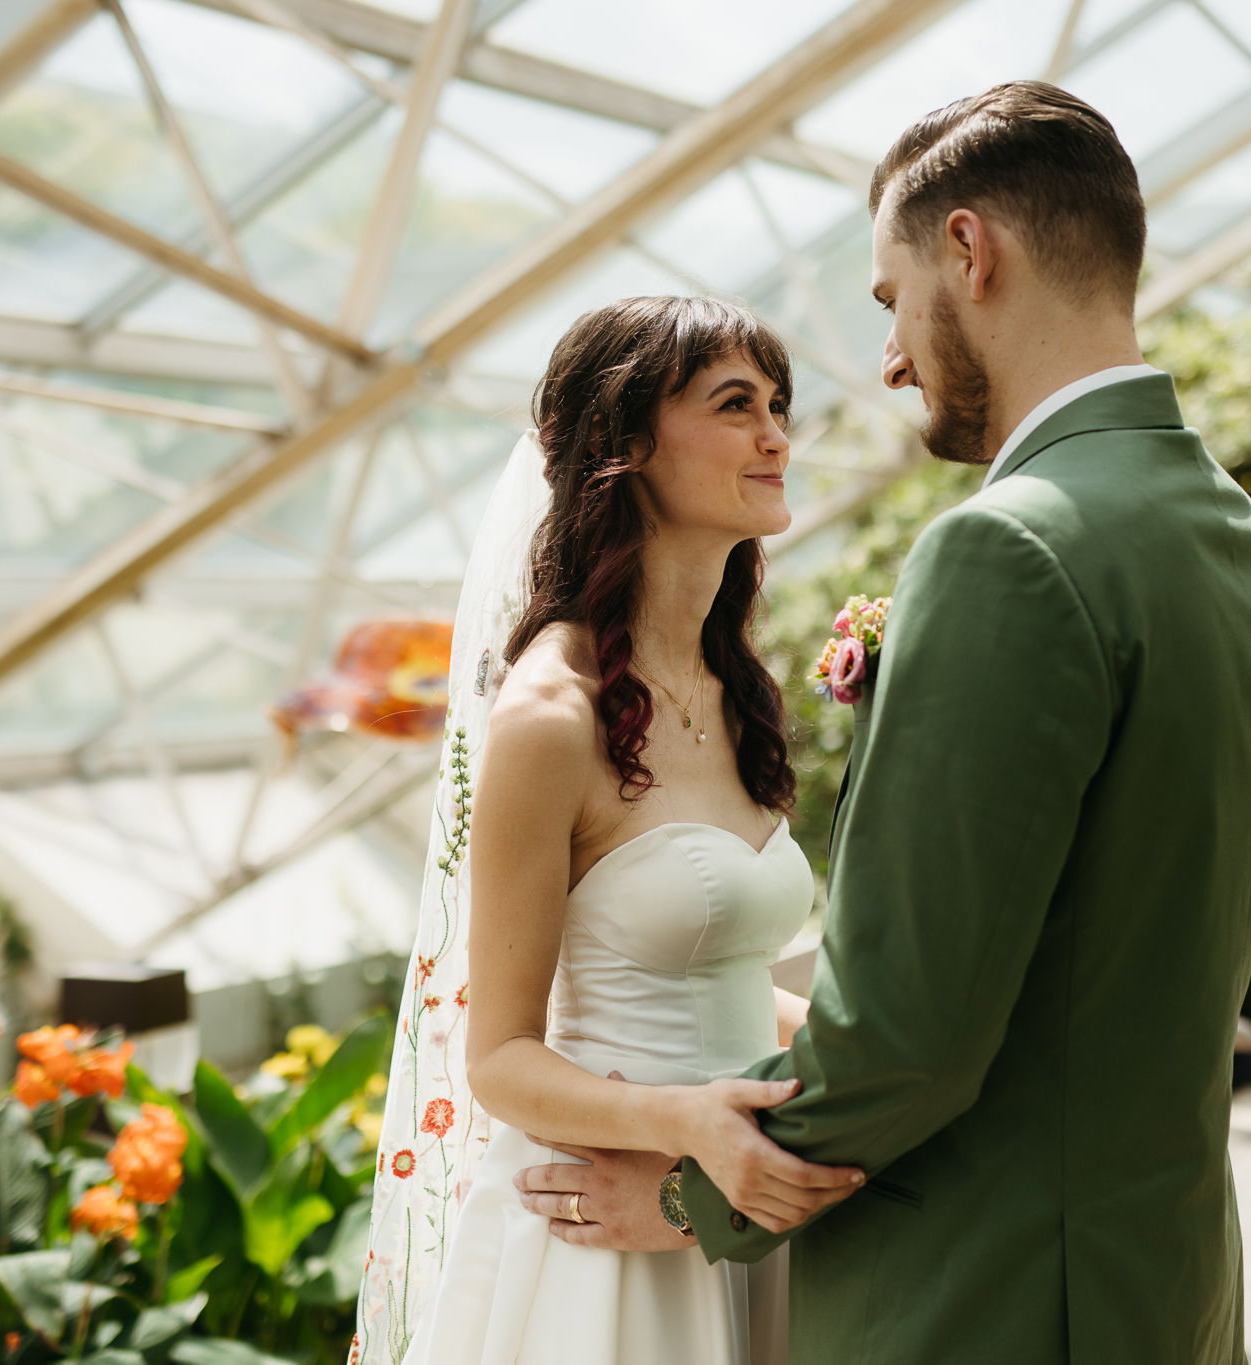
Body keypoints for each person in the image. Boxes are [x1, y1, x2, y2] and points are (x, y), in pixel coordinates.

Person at [513, 83, 1251, 1364]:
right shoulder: (1221, 529)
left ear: (967, 251)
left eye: (888, 301)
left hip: (979, 1294)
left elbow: (909, 1035)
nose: (886, 359)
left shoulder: (1010, 550)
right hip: (1156, 1280)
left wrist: (688, 1199)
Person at [351, 295, 862, 1365]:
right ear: (623, 447)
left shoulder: (733, 687)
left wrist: (852, 1049)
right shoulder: (549, 717)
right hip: (607, 1239)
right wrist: (684, 1126)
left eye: (777, 403)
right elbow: (497, 1060)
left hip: (738, 1204)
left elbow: (716, 979)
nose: (775, 434)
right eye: (735, 405)